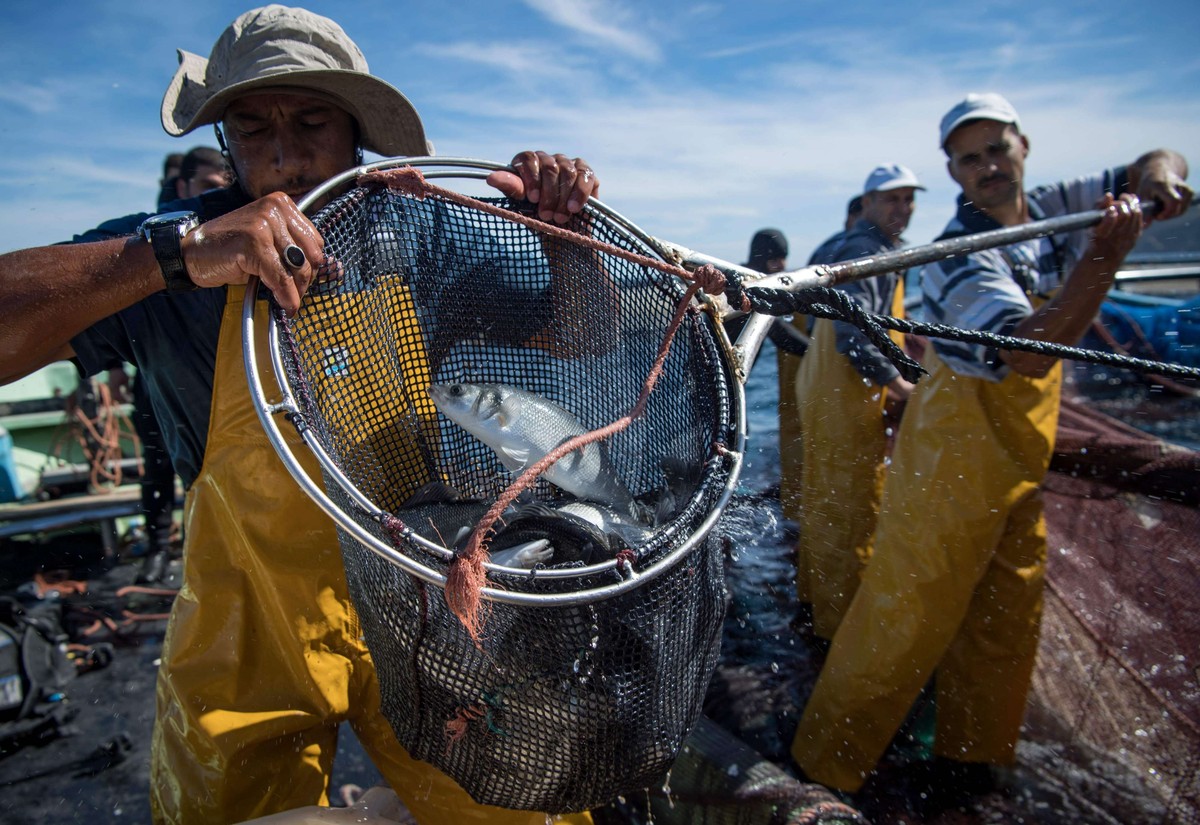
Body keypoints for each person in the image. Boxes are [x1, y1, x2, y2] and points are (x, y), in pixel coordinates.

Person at [0, 6, 602, 824]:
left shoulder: (421, 233)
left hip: (420, 594)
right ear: (225, 140)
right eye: (253, 129)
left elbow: (582, 335)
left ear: (356, 131)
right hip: (244, 621)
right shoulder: (168, 248)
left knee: (518, 807)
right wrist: (172, 258)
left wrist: (567, 240)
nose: (283, 155)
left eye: (312, 122)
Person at [791, 92, 1191, 797]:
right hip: (952, 456)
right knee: (906, 611)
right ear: (953, 172)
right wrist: (1103, 257)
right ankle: (823, 767)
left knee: (1008, 607)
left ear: (1023, 146)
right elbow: (1030, 355)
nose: (988, 167)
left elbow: (1150, 162)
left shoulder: (1055, 205)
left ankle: (969, 760)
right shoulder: (957, 259)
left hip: (1018, 455)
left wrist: (1159, 176)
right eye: (969, 158)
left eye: (997, 149)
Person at [792, 164, 922, 643]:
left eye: (908, 199)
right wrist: (901, 387)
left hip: (827, 389)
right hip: (845, 395)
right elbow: (854, 337)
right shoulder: (867, 251)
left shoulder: (851, 245)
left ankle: (814, 604)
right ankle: (841, 629)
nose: (902, 208)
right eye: (891, 199)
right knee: (852, 513)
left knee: (825, 501)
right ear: (866, 204)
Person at [779, 193, 864, 609]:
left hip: (805, 367)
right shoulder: (852, 248)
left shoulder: (826, 249)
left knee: (804, 450)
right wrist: (821, 353)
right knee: (824, 465)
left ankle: (797, 523)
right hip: (818, 361)